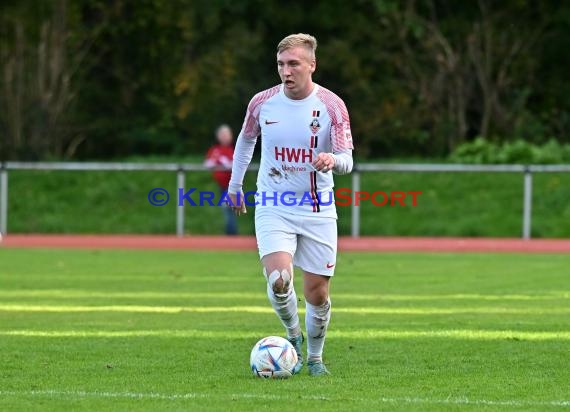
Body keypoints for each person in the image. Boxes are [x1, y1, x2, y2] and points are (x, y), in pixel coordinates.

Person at [228, 33, 354, 376]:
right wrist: (235, 184)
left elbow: (348, 159)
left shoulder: (331, 106)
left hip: (317, 207)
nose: (287, 70)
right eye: (281, 64)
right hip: (273, 201)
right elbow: (246, 139)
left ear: (311, 65)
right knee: (279, 280)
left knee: (317, 293)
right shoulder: (262, 103)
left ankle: (315, 358)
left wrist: (332, 159)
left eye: (294, 63)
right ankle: (292, 336)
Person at [204, 124, 238, 235]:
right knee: (227, 208)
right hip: (221, 185)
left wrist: (226, 163)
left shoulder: (236, 149)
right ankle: (230, 233)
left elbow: (238, 164)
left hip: (233, 185)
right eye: (222, 134)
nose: (224, 137)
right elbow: (208, 163)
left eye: (227, 134)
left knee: (229, 208)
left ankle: (231, 234)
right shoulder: (215, 150)